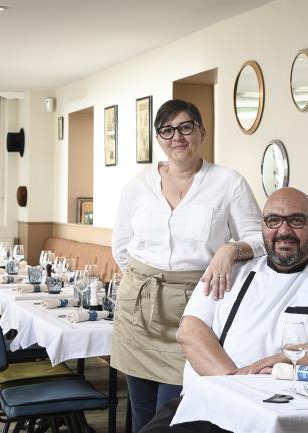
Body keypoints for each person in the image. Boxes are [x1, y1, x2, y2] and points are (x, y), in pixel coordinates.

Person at [138, 187, 308, 433]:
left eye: (296, 220)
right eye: (274, 221)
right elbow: (190, 332)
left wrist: (285, 357)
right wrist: (239, 388)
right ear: (263, 227)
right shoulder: (230, 270)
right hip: (204, 405)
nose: (284, 231)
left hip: (282, 415)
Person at [111, 99, 266, 432]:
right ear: (158, 138)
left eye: (185, 127)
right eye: (167, 130)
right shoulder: (137, 186)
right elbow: (122, 247)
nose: (176, 137)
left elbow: (260, 240)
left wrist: (230, 248)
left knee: (174, 411)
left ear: (201, 132)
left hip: (195, 311)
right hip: (137, 311)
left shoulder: (229, 183)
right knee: (139, 413)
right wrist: (147, 282)